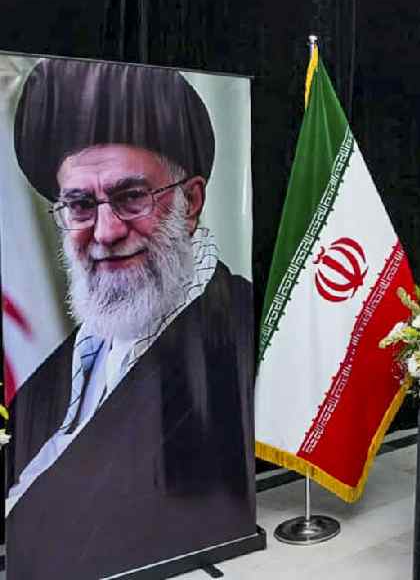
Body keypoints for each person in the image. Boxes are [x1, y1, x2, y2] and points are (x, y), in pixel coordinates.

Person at [4, 58, 256, 579]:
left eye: (131, 197)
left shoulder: (246, 336)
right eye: (79, 206)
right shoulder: (55, 372)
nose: (105, 231)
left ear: (191, 201)